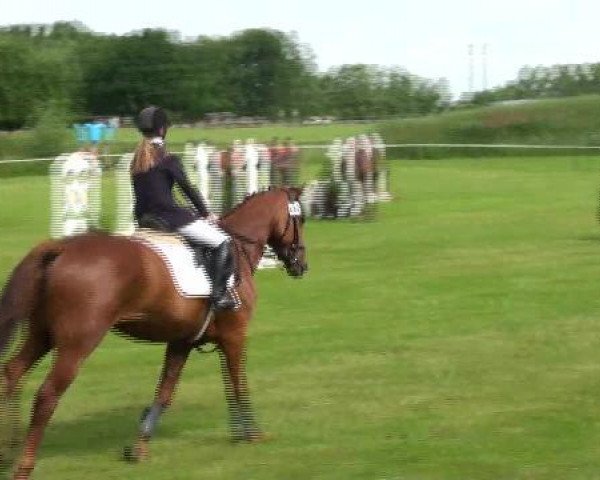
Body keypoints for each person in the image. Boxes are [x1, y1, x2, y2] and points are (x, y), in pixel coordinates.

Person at [131, 106, 237, 310]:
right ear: (162, 130)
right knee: (223, 241)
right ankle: (219, 296)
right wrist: (207, 214)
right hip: (168, 217)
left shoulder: (137, 159)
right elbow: (188, 188)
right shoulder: (167, 159)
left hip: (144, 219)